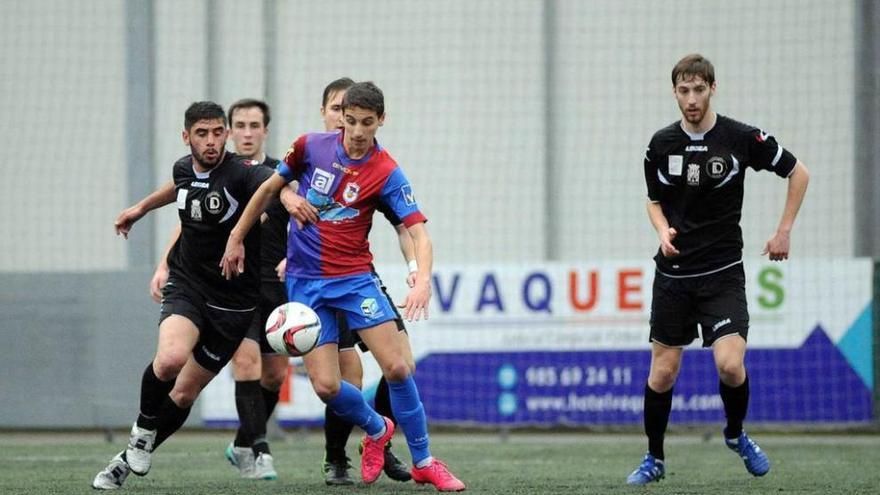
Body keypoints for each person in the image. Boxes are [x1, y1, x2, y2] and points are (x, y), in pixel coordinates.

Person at [220, 81, 466, 492]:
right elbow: (268, 188)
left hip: (354, 280)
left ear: (380, 121)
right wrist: (235, 238)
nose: (356, 131)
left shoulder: (386, 170)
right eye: (349, 121)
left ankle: (424, 460)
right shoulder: (310, 147)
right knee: (327, 386)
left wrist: (421, 279)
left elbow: (418, 231)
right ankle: (376, 428)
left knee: (400, 366)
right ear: (339, 117)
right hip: (306, 284)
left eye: (366, 123)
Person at [627, 54, 810, 485]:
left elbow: (798, 173)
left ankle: (735, 433)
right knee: (662, 372)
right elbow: (653, 198)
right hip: (673, 276)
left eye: (699, 90)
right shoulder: (660, 144)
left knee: (729, 365)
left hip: (722, 272)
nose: (692, 99)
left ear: (713, 88)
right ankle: (654, 458)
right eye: (684, 91)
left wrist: (783, 231)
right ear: (674, 92)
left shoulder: (741, 137)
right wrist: (661, 230)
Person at [92, 101, 275, 489]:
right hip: (189, 284)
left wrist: (283, 204)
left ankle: (127, 459)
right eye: (202, 134)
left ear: (226, 134)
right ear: (186, 136)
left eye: (217, 132)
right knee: (171, 359)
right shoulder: (182, 167)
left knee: (185, 392)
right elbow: (180, 186)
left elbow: (275, 186)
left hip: (234, 304)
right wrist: (140, 208)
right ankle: (141, 433)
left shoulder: (244, 173)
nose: (211, 141)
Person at [316, 77, 414, 486]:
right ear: (325, 113)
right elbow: (274, 203)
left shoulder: (376, 165)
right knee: (346, 379)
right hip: (319, 279)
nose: (348, 123)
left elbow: (406, 225)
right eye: (338, 111)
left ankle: (378, 439)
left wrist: (415, 270)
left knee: (402, 366)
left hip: (361, 276)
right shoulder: (309, 157)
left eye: (354, 115)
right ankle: (337, 457)